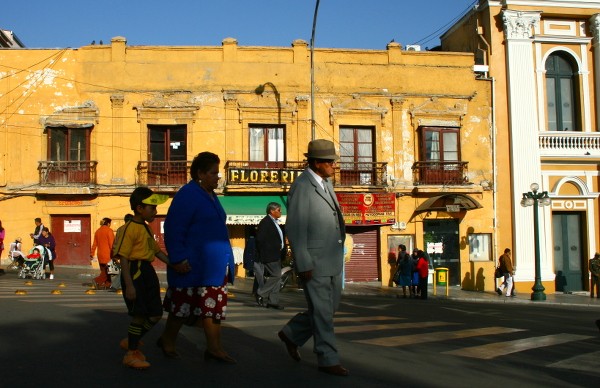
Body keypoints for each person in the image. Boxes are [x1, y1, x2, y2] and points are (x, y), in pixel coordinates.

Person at [277, 139, 348, 377]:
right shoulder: (302, 186)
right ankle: (327, 357)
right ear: (317, 163)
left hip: (332, 259)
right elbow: (296, 227)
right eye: (330, 162)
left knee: (329, 308)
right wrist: (303, 261)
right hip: (315, 262)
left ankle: (292, 333)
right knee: (321, 312)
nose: (334, 166)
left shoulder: (326, 183)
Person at [159, 152, 236, 364]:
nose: (217, 177)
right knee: (181, 310)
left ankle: (214, 348)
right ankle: (167, 339)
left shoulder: (212, 196)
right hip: (193, 266)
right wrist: (178, 258)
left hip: (214, 267)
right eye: (213, 173)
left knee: (213, 310)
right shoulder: (188, 195)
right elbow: (174, 228)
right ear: (200, 173)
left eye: (217, 173)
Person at [113, 187, 172, 370]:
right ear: (140, 208)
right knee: (139, 315)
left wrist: (174, 264)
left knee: (155, 314)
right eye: (152, 207)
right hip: (134, 271)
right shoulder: (127, 229)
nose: (155, 211)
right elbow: (123, 257)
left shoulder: (145, 228)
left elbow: (155, 251)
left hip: (147, 270)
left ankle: (132, 339)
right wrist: (129, 285)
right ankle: (131, 354)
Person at [256, 202, 285, 309]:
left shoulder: (274, 222)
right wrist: (269, 250)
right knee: (276, 275)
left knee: (277, 277)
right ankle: (261, 293)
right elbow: (260, 239)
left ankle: (273, 301)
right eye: (278, 210)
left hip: (276, 254)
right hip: (269, 255)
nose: (280, 212)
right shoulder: (266, 222)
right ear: (272, 211)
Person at [109, 214, 134, 291]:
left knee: (125, 270)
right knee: (126, 271)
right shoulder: (134, 228)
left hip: (122, 253)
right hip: (132, 254)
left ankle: (116, 286)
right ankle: (116, 286)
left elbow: (115, 243)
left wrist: (115, 254)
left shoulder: (120, 229)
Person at [90, 217, 115, 289]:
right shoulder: (109, 231)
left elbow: (94, 244)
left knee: (104, 270)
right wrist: (115, 254)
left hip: (100, 255)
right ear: (108, 223)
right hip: (108, 255)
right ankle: (97, 281)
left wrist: (92, 253)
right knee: (108, 272)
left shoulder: (98, 231)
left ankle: (107, 285)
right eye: (110, 223)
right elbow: (112, 244)